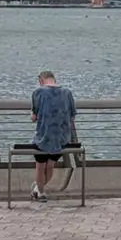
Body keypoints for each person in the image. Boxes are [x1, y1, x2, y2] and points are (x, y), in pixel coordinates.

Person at [28, 70, 77, 203]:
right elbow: (72, 115)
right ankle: (38, 190)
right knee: (50, 166)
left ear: (40, 80)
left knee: (40, 166)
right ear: (54, 79)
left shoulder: (38, 93)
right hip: (61, 139)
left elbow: (34, 117)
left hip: (43, 138)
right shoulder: (67, 93)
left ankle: (40, 192)